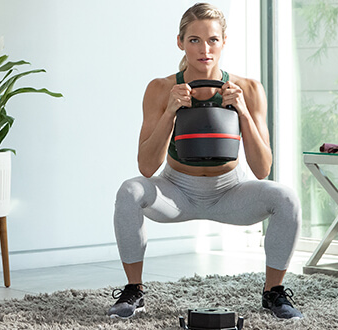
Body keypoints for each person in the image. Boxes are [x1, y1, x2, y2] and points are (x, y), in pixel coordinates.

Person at [107, 2, 303, 320]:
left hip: (229, 191)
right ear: (180, 42)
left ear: (224, 42)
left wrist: (241, 111)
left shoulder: (250, 89)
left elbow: (262, 169)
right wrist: (170, 111)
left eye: (212, 40)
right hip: (176, 190)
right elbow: (146, 167)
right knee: (129, 191)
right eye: (194, 40)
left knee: (286, 198)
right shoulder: (159, 89)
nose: (204, 49)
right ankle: (134, 291)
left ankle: (273, 293)